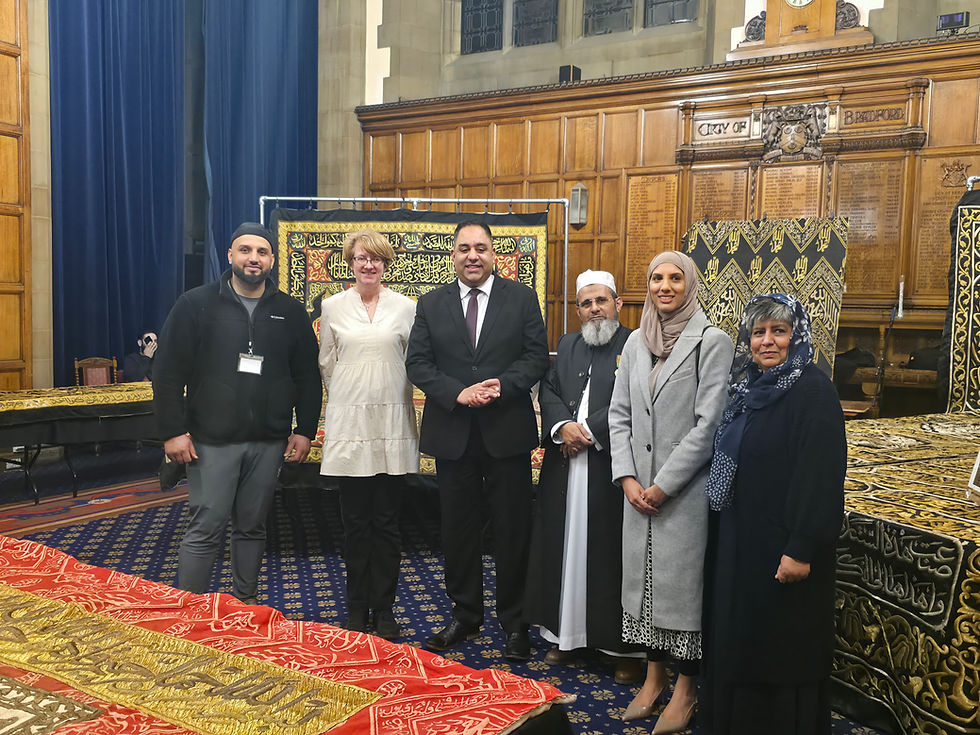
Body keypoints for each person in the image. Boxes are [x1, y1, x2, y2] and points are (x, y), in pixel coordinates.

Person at [153, 222, 322, 605]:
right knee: (206, 527)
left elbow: (307, 377)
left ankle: (243, 606)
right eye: (245, 250)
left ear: (272, 260)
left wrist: (305, 429)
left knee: (252, 527)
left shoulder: (290, 312)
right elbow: (166, 373)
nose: (253, 258)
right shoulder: (195, 304)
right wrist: (171, 432)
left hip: (268, 441)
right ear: (230, 256)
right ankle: (187, 615)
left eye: (262, 252)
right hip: (210, 441)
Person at [701, 294, 846, 735]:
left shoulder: (813, 390)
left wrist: (801, 547)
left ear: (796, 335)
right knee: (741, 643)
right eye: (759, 331)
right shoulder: (746, 386)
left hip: (784, 548)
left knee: (779, 650)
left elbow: (821, 478)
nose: (767, 341)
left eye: (778, 331)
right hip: (741, 542)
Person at [405, 220, 549, 661]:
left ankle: (515, 622)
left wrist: (500, 387)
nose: (473, 255)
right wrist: (457, 393)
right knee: (458, 531)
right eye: (464, 248)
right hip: (454, 435)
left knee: (512, 531)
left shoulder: (522, 298)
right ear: (453, 255)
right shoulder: (431, 303)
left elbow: (536, 357)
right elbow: (418, 363)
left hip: (506, 433)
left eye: (481, 248)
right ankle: (465, 614)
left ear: (494, 255)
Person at [608, 250, 734, 734]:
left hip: (681, 494)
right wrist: (628, 478)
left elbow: (710, 425)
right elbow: (618, 415)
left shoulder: (711, 341)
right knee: (642, 588)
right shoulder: (638, 343)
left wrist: (663, 485)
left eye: (675, 278)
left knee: (682, 593)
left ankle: (685, 688)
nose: (664, 286)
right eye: (656, 277)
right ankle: (653, 677)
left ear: (690, 284)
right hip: (637, 493)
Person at [525, 269, 643, 685]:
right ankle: (567, 636)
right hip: (565, 463)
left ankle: (621, 648)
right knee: (564, 547)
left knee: (609, 553)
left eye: (601, 301)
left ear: (618, 305)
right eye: (586, 303)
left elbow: (636, 399)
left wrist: (588, 431)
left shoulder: (636, 344)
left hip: (611, 465)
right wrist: (561, 427)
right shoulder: (568, 344)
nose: (594, 310)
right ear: (577, 310)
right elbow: (550, 389)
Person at [318, 229, 419, 640]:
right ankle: (357, 607)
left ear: (386, 263)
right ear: (350, 262)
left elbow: (416, 362)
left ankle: (386, 608)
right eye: (361, 258)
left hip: (393, 424)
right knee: (356, 524)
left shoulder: (408, 307)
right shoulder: (332, 306)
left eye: (376, 258)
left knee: (388, 524)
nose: (368, 265)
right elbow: (327, 363)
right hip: (351, 423)